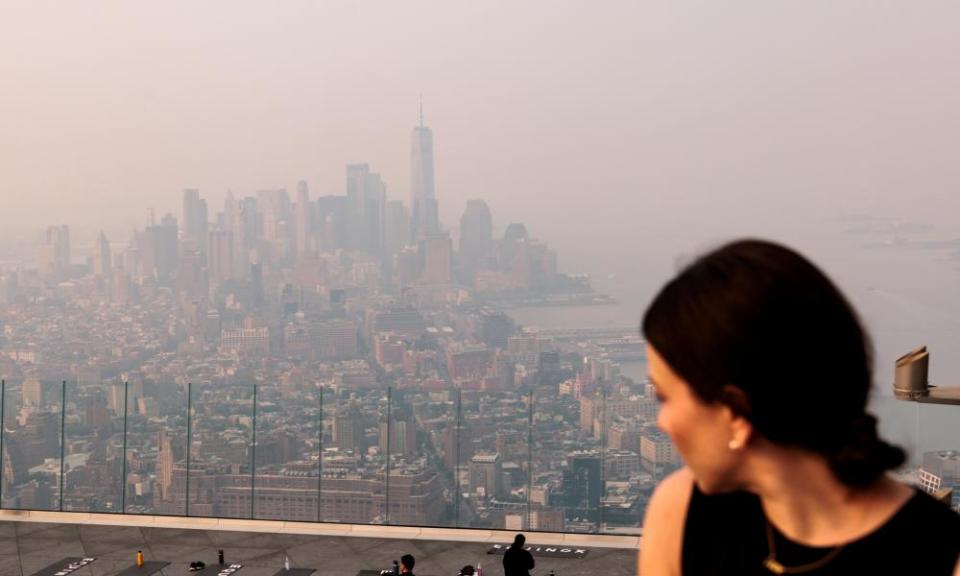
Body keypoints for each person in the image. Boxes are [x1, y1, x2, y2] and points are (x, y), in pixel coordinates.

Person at [638, 239, 960, 576]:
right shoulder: (680, 512)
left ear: (734, 412)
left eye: (664, 398)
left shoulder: (946, 555)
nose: (662, 422)